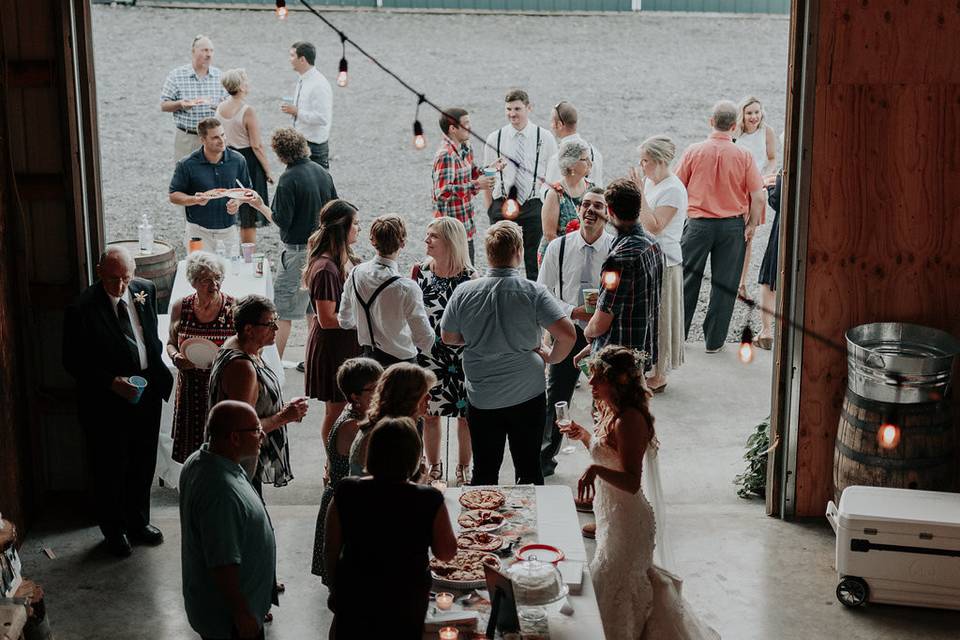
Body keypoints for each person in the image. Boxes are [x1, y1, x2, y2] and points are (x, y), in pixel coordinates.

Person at [563, 346, 719, 640]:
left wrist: (595, 472)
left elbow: (632, 481)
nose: (591, 384)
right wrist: (584, 434)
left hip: (629, 523)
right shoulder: (612, 412)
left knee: (620, 585)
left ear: (618, 381)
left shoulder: (630, 421)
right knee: (611, 583)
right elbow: (608, 456)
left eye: (598, 379)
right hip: (612, 517)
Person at [440, 220, 576, 486]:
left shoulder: (464, 293)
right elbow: (567, 334)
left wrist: (477, 338)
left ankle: (481, 522)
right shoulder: (533, 292)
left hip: (483, 396)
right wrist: (551, 357)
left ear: (489, 254)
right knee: (529, 469)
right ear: (518, 251)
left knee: (485, 470)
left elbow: (448, 337)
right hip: (527, 394)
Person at [62, 246, 174, 557]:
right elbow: (73, 361)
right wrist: (111, 382)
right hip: (106, 401)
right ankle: (114, 530)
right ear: (99, 273)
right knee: (110, 466)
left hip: (146, 391)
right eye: (113, 279)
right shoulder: (82, 309)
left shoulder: (145, 290)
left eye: (126, 278)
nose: (121, 287)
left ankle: (139, 522)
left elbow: (149, 336)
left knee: (143, 461)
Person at [325, 417, 457, 639]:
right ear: (414, 456)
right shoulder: (428, 499)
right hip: (405, 597)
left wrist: (335, 590)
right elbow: (446, 553)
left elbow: (330, 550)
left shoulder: (346, 490)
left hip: (356, 593)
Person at [179, 400, 275, 640]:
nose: (262, 434)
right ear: (234, 437)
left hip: (224, 609)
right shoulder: (220, 493)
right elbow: (222, 563)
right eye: (255, 430)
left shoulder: (203, 459)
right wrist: (241, 613)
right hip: (228, 620)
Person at [676, 100, 765, 353]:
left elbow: (678, 186)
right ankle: (714, 342)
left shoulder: (693, 151)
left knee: (687, 281)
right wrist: (750, 225)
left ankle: (679, 335)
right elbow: (758, 196)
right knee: (725, 285)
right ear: (735, 126)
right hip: (731, 227)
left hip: (698, 225)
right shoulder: (744, 155)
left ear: (711, 122)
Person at [536, 187, 613, 476]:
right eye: (586, 205)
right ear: (579, 210)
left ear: (607, 214)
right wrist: (572, 312)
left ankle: (603, 457)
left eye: (598, 206)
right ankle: (544, 458)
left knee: (604, 397)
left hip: (603, 333)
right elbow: (542, 293)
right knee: (557, 395)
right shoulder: (560, 247)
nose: (591, 210)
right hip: (569, 330)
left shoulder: (614, 247)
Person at [208, 295, 308, 493]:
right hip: (239, 463)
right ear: (248, 329)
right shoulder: (242, 367)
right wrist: (285, 417)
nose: (276, 329)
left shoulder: (243, 347)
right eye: (270, 324)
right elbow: (241, 429)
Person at [413, 217, 477, 486]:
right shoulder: (420, 273)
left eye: (433, 236)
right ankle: (434, 466)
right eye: (427, 235)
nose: (426, 240)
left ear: (451, 241)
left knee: (466, 418)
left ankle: (464, 468)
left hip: (463, 356)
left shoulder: (471, 278)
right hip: (429, 355)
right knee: (429, 415)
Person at [310, 357, 383, 581]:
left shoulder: (357, 416)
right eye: (375, 388)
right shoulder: (353, 426)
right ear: (355, 396)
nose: (382, 392)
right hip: (345, 508)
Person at [268, 127, 338, 359]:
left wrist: (260, 205)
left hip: (297, 252)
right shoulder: (321, 171)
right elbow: (335, 208)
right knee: (313, 310)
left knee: (282, 310)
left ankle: (274, 365)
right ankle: (312, 360)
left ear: (280, 154)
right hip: (322, 251)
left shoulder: (287, 180)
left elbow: (282, 220)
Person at [580, 178, 664, 361]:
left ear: (609, 211)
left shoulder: (619, 259)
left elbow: (603, 319)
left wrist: (588, 332)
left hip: (616, 358)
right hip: (641, 350)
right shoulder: (653, 244)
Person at [630, 135, 688, 393]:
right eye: (641, 161)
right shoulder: (650, 181)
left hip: (666, 259)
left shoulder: (673, 189)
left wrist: (640, 194)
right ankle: (648, 364)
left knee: (662, 313)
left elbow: (655, 225)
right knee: (649, 313)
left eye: (646, 161)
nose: (642, 166)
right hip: (648, 256)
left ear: (661, 161)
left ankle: (660, 372)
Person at [337, 214, 434, 366]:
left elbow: (344, 321)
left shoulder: (356, 273)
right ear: (403, 243)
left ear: (372, 241)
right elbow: (425, 340)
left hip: (368, 360)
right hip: (402, 364)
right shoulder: (406, 288)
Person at [303, 199, 362, 447]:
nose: (359, 228)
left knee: (349, 408)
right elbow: (327, 319)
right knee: (335, 411)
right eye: (355, 224)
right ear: (342, 227)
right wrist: (363, 320)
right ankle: (332, 464)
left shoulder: (346, 258)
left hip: (345, 345)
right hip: (332, 348)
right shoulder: (326, 268)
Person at [166, 251, 235, 463]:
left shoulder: (233, 308)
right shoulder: (181, 307)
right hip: (190, 391)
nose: (214, 285)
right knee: (192, 454)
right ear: (194, 282)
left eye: (218, 279)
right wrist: (176, 356)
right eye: (207, 280)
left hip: (222, 389)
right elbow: (170, 343)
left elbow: (247, 349)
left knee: (223, 449)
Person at [483, 88, 558, 281]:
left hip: (534, 204)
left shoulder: (545, 137)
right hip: (503, 203)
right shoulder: (495, 138)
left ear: (528, 108)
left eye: (517, 108)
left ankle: (535, 302)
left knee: (535, 261)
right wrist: (491, 208)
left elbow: (553, 173)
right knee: (501, 258)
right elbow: (487, 175)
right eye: (508, 109)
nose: (512, 114)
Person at [168, 117, 251, 253]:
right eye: (215, 137)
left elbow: (247, 190)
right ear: (203, 140)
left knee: (230, 273)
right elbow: (173, 195)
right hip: (198, 233)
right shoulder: (186, 164)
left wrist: (238, 201)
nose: (222, 140)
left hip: (228, 232)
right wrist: (194, 200)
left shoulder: (238, 160)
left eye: (223, 135)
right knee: (198, 273)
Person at [215, 68, 274, 245]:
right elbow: (256, 145)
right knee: (248, 209)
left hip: (227, 158)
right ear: (240, 86)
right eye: (245, 81)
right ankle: (248, 253)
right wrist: (268, 170)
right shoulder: (247, 110)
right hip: (247, 160)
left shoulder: (220, 107)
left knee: (232, 205)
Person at [432, 107, 497, 263]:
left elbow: (472, 172)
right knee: (456, 279)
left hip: (465, 227)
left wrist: (489, 170)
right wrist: (476, 185)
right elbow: (443, 192)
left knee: (468, 273)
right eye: (466, 123)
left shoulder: (465, 146)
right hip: (450, 233)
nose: (470, 127)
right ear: (452, 129)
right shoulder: (446, 155)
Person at [348, 363, 436, 477]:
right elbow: (387, 490)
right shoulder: (386, 433)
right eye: (425, 392)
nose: (430, 397)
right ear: (408, 397)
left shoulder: (397, 426)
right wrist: (421, 481)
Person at [734, 96, 779, 303]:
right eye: (750, 113)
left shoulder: (766, 131)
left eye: (757, 112)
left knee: (748, 237)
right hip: (735, 188)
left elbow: (771, 158)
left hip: (756, 189)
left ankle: (741, 284)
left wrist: (763, 176)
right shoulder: (736, 133)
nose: (754, 117)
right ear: (742, 114)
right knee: (732, 234)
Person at [160, 34, 228, 163]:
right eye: (204, 50)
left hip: (214, 138)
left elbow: (229, 104)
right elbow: (164, 105)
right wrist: (180, 104)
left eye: (211, 50)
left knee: (214, 177)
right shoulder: (177, 75)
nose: (209, 54)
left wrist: (221, 106)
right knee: (185, 177)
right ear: (193, 52)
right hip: (187, 137)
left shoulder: (220, 76)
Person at [538, 139, 593, 263]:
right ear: (571, 164)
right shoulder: (555, 194)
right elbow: (549, 234)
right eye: (585, 159)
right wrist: (573, 257)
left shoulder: (593, 189)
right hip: (558, 257)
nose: (590, 162)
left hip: (588, 255)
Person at [281, 41, 332, 169]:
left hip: (314, 147)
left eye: (292, 56)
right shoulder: (303, 78)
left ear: (302, 59)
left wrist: (297, 112)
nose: (290, 59)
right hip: (301, 141)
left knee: (318, 186)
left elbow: (323, 118)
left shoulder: (319, 85)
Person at [542, 100, 604, 196]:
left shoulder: (558, 158)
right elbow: (599, 190)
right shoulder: (595, 153)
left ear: (559, 124)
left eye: (552, 122)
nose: (551, 126)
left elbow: (546, 195)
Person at [755, 169, 783, 350]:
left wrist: (771, 188)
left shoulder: (788, 167)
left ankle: (766, 330)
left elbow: (779, 201)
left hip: (783, 229)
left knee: (769, 277)